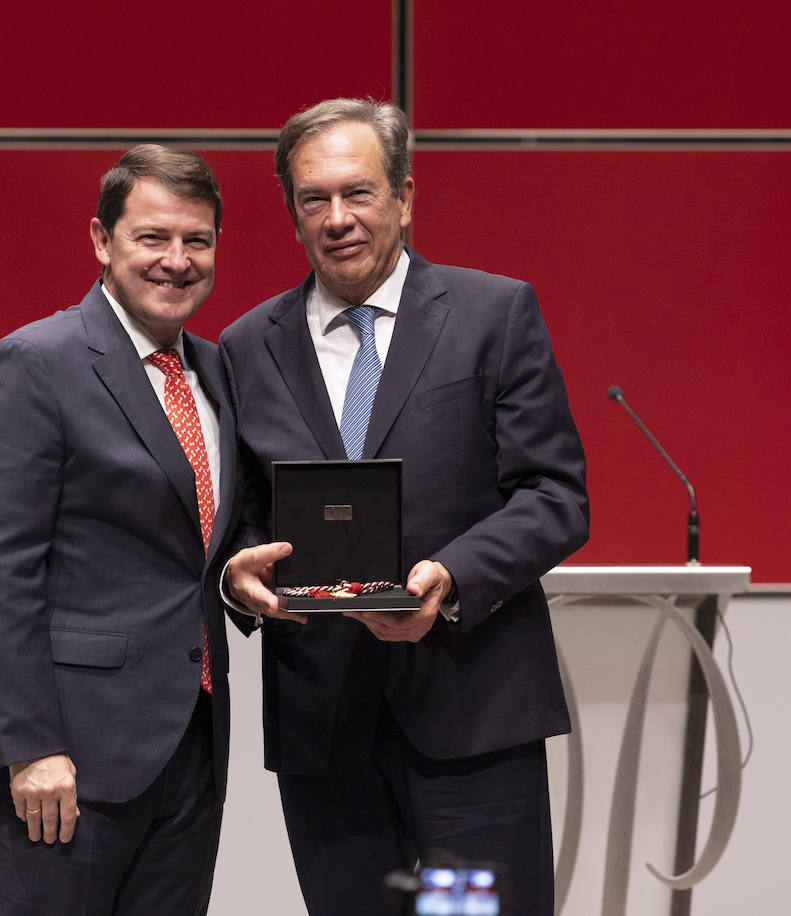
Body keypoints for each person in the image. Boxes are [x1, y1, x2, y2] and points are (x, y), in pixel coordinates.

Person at [220, 98, 589, 916]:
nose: (339, 218)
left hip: (472, 716)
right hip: (324, 726)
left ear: (405, 198)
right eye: (314, 199)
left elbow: (555, 495)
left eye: (359, 192)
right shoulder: (246, 345)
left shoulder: (494, 315)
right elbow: (241, 511)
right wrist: (237, 574)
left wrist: (450, 578)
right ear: (292, 214)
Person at [0, 144, 240, 915]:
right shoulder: (33, 363)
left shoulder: (217, 371)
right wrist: (32, 746)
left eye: (197, 240)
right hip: (61, 764)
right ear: (102, 242)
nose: (177, 261)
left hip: (189, 752)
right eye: (153, 238)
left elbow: (194, 543)